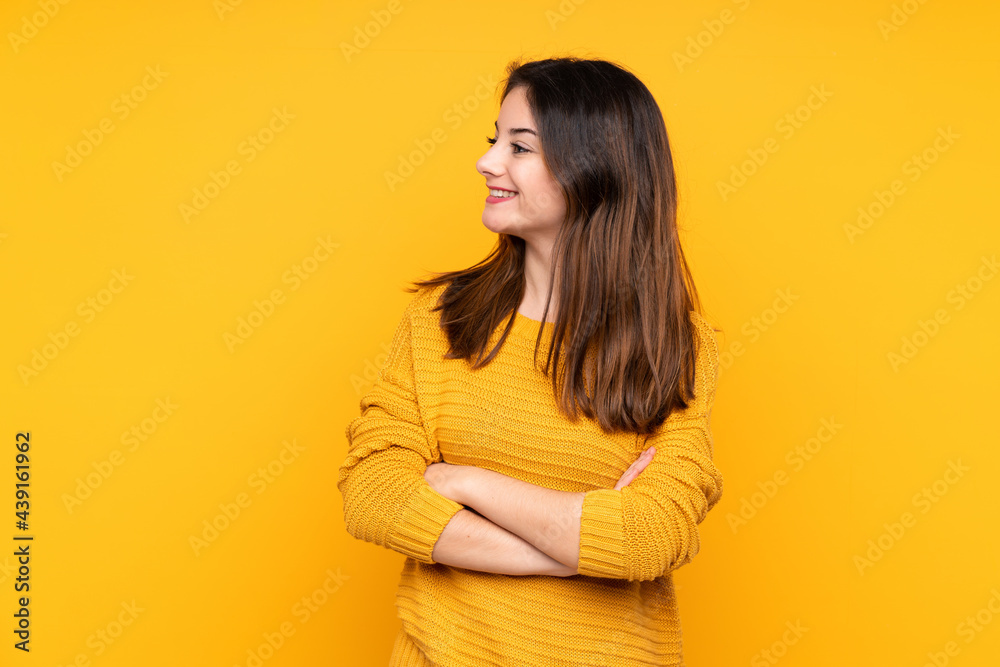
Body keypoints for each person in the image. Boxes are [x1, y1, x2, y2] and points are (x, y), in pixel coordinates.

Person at [338, 56, 724, 667]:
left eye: (520, 147)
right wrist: (572, 547)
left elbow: (653, 535)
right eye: (494, 140)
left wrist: (464, 482)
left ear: (595, 169)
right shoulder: (439, 319)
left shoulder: (674, 345)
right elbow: (374, 495)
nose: (486, 162)